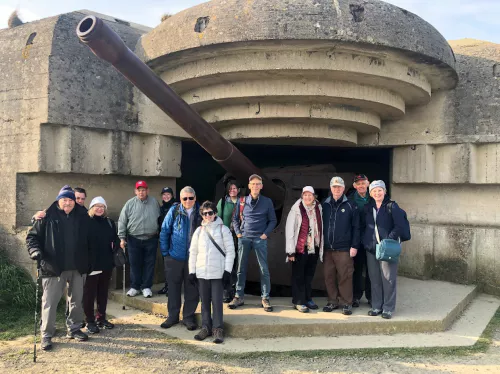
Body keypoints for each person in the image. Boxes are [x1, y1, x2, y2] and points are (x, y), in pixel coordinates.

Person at [26, 185, 91, 351]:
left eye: (70, 200)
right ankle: (47, 335)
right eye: (64, 200)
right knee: (50, 302)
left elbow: (91, 238)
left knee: (76, 300)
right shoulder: (46, 216)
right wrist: (35, 251)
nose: (68, 203)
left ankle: (74, 329)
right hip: (53, 267)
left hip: (77, 267)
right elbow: (32, 237)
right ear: (58, 200)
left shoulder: (82, 215)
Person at [189, 201, 235, 343]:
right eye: (204, 213)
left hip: (218, 272)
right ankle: (206, 327)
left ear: (215, 213)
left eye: (210, 212)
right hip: (202, 271)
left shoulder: (223, 229)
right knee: (204, 301)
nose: (207, 215)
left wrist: (227, 271)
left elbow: (230, 252)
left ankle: (218, 328)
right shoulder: (199, 231)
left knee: (216, 301)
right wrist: (192, 271)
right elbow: (193, 252)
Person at [230, 174, 277, 312]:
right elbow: (234, 219)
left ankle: (265, 297)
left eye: (258, 184)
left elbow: (272, 220)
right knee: (240, 268)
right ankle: (238, 296)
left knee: (263, 269)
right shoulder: (242, 200)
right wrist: (238, 233)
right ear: (249, 186)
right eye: (253, 184)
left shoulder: (267, 202)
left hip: (259, 239)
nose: (255, 186)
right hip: (244, 238)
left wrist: (265, 234)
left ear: (261, 186)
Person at [159, 186, 202, 331]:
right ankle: (172, 316)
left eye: (191, 198)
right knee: (173, 288)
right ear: (181, 199)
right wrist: (166, 253)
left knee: (192, 289)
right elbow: (165, 230)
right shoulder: (174, 210)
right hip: (174, 257)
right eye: (185, 198)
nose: (188, 201)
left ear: (195, 198)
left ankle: (188, 317)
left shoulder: (201, 212)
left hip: (193, 259)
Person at [362, 180, 405, 319]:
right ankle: (376, 306)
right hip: (372, 248)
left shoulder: (392, 206)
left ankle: (388, 308)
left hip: (387, 248)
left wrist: (388, 240)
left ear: (385, 191)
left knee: (388, 278)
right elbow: (364, 226)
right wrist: (366, 242)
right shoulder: (368, 207)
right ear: (371, 193)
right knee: (374, 279)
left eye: (380, 190)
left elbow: (400, 226)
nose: (377, 193)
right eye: (374, 191)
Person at [322, 176, 360, 316]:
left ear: (343, 188)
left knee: (345, 276)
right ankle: (332, 301)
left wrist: (354, 246)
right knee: (329, 276)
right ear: (331, 188)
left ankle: (346, 303)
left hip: (344, 248)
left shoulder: (351, 205)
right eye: (334, 187)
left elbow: (356, 227)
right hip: (327, 248)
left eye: (339, 187)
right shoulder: (324, 204)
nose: (336, 189)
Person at [118, 180, 160, 298]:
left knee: (149, 263)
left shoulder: (154, 202)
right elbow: (122, 220)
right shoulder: (129, 204)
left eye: (143, 190)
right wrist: (122, 237)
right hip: (133, 239)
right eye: (139, 190)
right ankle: (135, 287)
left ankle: (146, 287)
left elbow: (160, 218)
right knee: (135, 263)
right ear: (135, 191)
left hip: (151, 238)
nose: (141, 192)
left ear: (148, 191)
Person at [285, 186, 323, 313]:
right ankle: (298, 301)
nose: (307, 197)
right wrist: (290, 251)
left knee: (309, 275)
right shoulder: (296, 209)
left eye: (310, 195)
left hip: (313, 247)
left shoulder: (318, 207)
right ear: (302, 196)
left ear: (314, 196)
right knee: (298, 276)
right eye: (305, 195)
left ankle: (307, 298)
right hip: (300, 248)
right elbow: (290, 230)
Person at [83, 197, 117, 334]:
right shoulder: (86, 222)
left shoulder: (109, 222)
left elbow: (114, 239)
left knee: (103, 292)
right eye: (96, 206)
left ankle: (101, 318)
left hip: (106, 263)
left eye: (102, 206)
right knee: (89, 294)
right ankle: (89, 320)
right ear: (91, 208)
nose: (99, 208)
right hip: (92, 265)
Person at [347, 174, 372, 307]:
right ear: (354, 186)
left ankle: (371, 296)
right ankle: (355, 296)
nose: (361, 185)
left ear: (368, 184)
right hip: (356, 241)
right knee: (356, 270)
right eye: (358, 183)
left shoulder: (375, 198)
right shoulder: (350, 200)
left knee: (371, 270)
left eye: (363, 183)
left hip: (371, 240)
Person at [216, 181, 239, 302]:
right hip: (226, 237)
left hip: (239, 237)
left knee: (236, 265)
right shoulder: (223, 202)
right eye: (230, 189)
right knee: (226, 265)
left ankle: (235, 291)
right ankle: (226, 291)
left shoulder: (243, 202)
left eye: (235, 188)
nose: (233, 190)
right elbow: (218, 219)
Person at [158, 186, 177, 296]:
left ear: (172, 195)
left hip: (173, 240)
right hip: (164, 239)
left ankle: (172, 287)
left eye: (168, 194)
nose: (166, 196)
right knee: (166, 264)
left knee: (173, 265)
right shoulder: (161, 208)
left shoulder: (176, 207)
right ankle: (167, 285)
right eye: (164, 194)